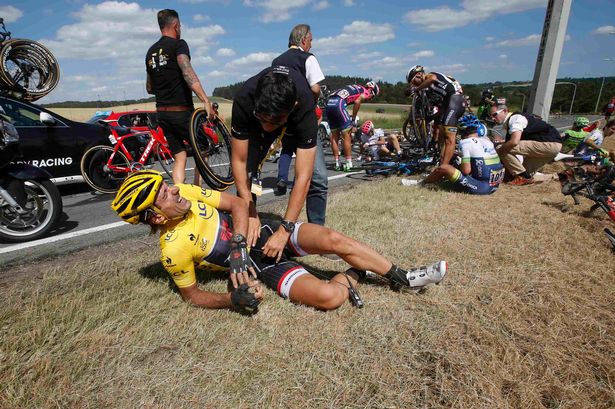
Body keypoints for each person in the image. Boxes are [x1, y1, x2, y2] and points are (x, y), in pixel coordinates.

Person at [110, 170, 448, 311]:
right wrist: (232, 299)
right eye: (163, 193)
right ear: (155, 216)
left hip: (265, 233)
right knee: (329, 298)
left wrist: (240, 242)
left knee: (331, 237)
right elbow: (193, 296)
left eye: (165, 183)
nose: (173, 188)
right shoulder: (172, 250)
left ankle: (402, 277)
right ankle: (354, 273)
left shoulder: (185, 190)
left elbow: (237, 204)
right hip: (261, 265)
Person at [231, 65, 318, 256]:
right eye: (263, 120)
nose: (267, 127)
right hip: (255, 118)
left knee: (313, 173)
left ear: (294, 106)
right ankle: (246, 217)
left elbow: (303, 177)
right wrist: (250, 211)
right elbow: (239, 161)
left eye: (274, 122)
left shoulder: (304, 106)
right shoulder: (244, 98)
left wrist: (285, 230)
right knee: (251, 164)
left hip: (290, 122)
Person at [146, 9, 214, 186]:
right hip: (182, 112)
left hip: (162, 113)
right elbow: (187, 71)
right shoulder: (179, 45)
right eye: (180, 26)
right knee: (203, 147)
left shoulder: (150, 52)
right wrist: (205, 100)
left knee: (180, 155)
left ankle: (180, 193)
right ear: (175, 26)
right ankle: (198, 192)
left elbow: (149, 88)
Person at [270, 24, 327, 226]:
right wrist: (308, 100)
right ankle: (316, 228)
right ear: (304, 40)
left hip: (284, 122)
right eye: (311, 40)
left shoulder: (277, 61)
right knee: (317, 178)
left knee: (286, 153)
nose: (311, 44)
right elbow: (315, 87)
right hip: (305, 122)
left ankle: (282, 183)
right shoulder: (308, 58)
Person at [422, 114, 504, 194]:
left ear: (461, 131)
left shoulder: (465, 142)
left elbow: (466, 170)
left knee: (444, 167)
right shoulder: (487, 141)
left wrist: (459, 164)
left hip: (482, 186)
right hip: (495, 184)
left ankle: (422, 182)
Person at [405, 65, 465, 166]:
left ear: (419, 75)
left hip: (455, 101)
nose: (414, 85)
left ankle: (444, 167)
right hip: (450, 102)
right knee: (442, 135)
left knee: (449, 139)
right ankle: (442, 162)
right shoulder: (431, 86)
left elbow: (432, 79)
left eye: (414, 81)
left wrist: (417, 89)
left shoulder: (430, 76)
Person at [490, 104, 562, 186]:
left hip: (548, 144)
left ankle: (522, 177)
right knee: (526, 174)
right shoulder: (514, 120)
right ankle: (560, 176)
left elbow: (514, 142)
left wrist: (497, 152)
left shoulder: (515, 118)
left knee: (502, 148)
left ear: (504, 111)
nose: (492, 118)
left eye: (494, 115)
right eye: (491, 116)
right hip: (553, 146)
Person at [325, 81, 380, 171]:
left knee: (334, 136)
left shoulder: (356, 87)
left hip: (329, 103)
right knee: (346, 135)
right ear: (372, 91)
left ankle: (337, 164)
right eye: (373, 96)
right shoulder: (366, 91)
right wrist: (353, 120)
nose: (371, 98)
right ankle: (349, 164)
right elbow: (357, 102)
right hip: (339, 104)